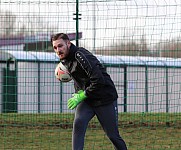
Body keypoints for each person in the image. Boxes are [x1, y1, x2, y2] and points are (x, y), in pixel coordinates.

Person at [51, 33, 127, 150]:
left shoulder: (81, 55)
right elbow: (78, 79)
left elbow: (99, 80)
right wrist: (78, 93)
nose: (58, 50)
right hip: (87, 99)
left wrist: (83, 94)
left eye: (60, 46)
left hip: (104, 98)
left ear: (68, 44)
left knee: (113, 136)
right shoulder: (65, 60)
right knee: (78, 125)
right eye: (55, 47)